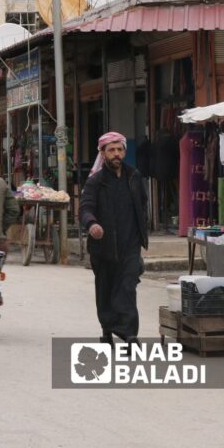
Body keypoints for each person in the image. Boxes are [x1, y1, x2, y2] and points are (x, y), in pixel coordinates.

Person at [79, 132, 149, 345]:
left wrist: (142, 236)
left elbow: (142, 206)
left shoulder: (134, 176)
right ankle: (107, 329)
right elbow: (85, 207)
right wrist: (92, 224)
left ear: (125, 151)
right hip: (103, 247)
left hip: (130, 244)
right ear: (103, 153)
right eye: (111, 150)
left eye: (120, 149)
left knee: (127, 287)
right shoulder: (96, 182)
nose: (116, 154)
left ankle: (129, 334)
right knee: (106, 289)